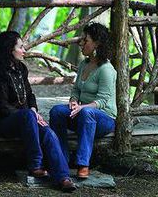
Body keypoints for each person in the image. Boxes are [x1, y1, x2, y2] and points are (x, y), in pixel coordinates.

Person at [0, 30, 76, 192]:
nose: (24, 51)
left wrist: (33, 110)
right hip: (7, 124)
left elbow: (30, 95)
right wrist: (28, 115)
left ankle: (63, 178)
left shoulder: (21, 68)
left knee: (49, 133)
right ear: (10, 49)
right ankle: (35, 164)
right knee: (29, 117)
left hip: (28, 120)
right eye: (21, 47)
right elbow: (1, 105)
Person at [50, 23, 117, 180]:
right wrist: (74, 102)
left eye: (85, 40)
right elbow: (76, 91)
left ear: (97, 43)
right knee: (57, 111)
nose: (81, 43)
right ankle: (62, 159)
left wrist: (82, 107)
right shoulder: (84, 64)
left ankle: (82, 164)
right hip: (82, 113)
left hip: (104, 119)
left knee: (87, 113)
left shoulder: (106, 69)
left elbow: (102, 100)